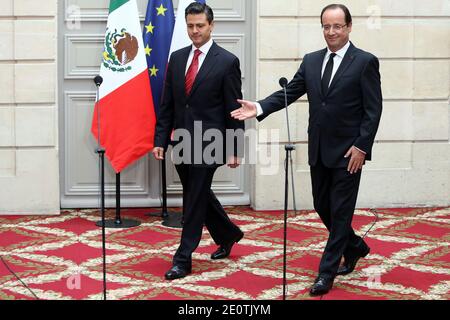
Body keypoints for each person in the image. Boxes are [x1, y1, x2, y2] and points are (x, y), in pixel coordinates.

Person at [231, 4, 382, 295]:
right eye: (326, 26)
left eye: (337, 26)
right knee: (322, 206)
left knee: (340, 212)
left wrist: (362, 146)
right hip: (319, 149)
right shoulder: (312, 61)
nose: (331, 32)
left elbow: (373, 111)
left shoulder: (365, 62)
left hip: (350, 153)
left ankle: (326, 273)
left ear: (349, 27)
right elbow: (291, 91)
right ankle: (355, 246)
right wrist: (260, 106)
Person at [153, 2, 244, 280]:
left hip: (211, 141)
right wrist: (160, 139)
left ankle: (183, 259)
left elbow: (234, 108)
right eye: (190, 26)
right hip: (181, 141)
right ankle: (228, 234)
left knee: (193, 200)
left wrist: (234, 148)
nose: (195, 31)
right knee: (199, 193)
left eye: (200, 26)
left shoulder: (227, 61)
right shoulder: (177, 58)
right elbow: (167, 103)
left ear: (211, 25)